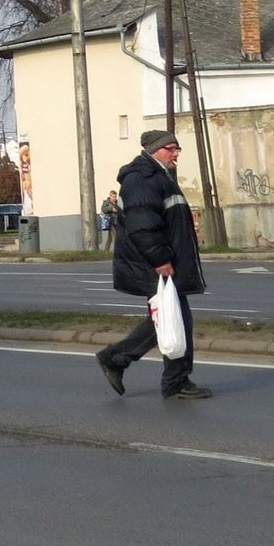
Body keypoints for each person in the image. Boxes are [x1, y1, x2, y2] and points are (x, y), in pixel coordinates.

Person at [96, 131, 210, 399]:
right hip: (153, 263)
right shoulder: (142, 178)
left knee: (170, 319)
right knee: (172, 318)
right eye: (171, 148)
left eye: (177, 148)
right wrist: (160, 259)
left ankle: (126, 362)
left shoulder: (159, 175)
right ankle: (171, 380)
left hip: (160, 260)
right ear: (155, 150)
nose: (176, 153)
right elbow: (142, 226)